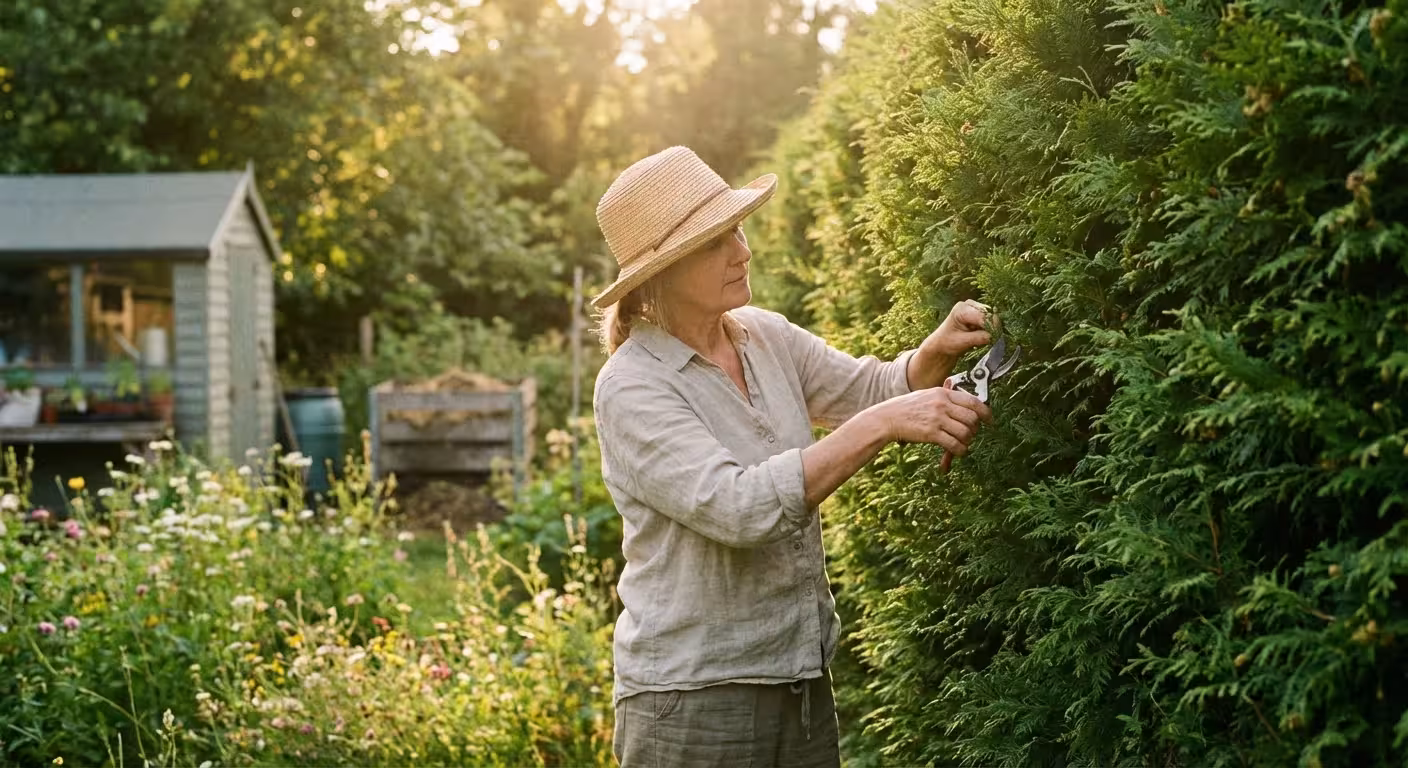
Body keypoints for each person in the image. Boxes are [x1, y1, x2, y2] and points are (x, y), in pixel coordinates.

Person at [590, 146, 995, 767]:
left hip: (801, 682)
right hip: (694, 703)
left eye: (738, 230)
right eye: (715, 242)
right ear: (662, 272)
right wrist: (882, 426)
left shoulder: (764, 334)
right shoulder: (633, 386)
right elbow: (740, 508)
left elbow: (871, 389)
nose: (742, 251)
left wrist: (928, 359)